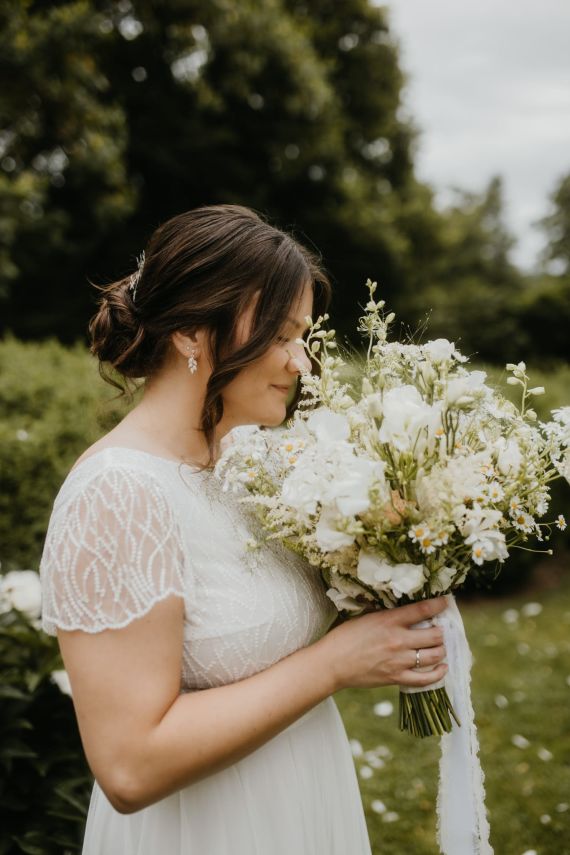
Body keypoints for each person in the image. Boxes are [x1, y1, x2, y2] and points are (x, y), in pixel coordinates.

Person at [39, 204, 448, 855]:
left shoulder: (250, 463)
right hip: (203, 829)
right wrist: (337, 663)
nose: (302, 363)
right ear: (191, 333)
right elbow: (129, 766)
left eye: (303, 336)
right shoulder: (116, 495)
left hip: (304, 796)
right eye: (282, 336)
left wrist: (398, 567)